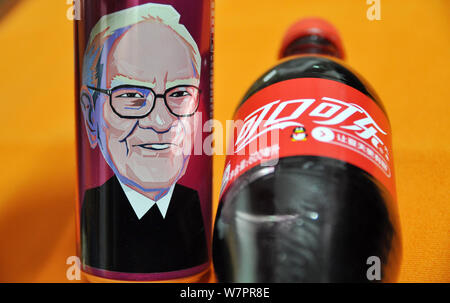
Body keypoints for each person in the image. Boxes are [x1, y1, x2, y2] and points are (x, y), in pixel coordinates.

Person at [79, 3, 207, 274]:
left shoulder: (199, 212)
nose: (161, 122)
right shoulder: (92, 211)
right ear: (91, 114)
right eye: (131, 96)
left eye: (179, 93)